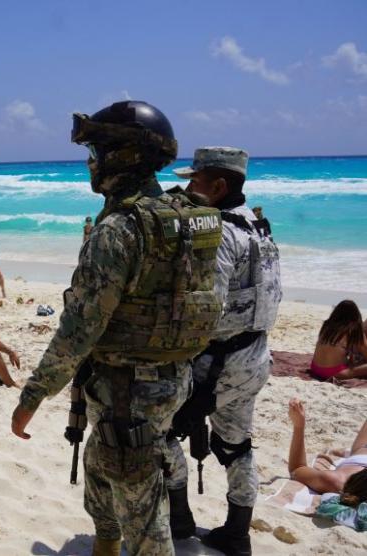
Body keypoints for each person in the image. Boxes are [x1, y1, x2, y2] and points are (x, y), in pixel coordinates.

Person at [11, 101, 222, 555]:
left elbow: (79, 329)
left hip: (128, 392)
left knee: (144, 522)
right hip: (169, 380)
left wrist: (32, 396)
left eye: (97, 149)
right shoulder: (185, 217)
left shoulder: (120, 230)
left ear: (122, 156)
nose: (91, 161)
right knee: (99, 469)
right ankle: (105, 545)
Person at [165, 147, 282, 553]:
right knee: (236, 445)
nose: (187, 187)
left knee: (162, 431)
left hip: (219, 362)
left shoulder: (219, 235)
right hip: (256, 357)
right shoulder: (260, 227)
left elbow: (206, 310)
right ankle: (237, 533)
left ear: (218, 186)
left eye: (195, 181)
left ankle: (178, 520)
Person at [287, 398, 367, 502]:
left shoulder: (335, 481)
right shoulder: (336, 481)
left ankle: (345, 452)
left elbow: (297, 469)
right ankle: (345, 452)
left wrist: (299, 426)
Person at [309, 300, 367, 380]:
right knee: (354, 369)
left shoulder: (327, 324)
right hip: (333, 373)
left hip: (315, 368)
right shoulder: (354, 329)